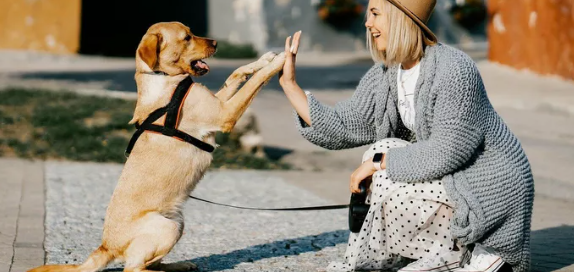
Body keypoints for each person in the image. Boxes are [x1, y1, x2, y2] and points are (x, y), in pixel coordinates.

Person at [278, 0, 534, 271]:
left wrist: (378, 162)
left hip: (487, 184)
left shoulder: (455, 69)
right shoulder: (387, 74)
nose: (367, 23)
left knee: (383, 163)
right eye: (368, 14)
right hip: (449, 178)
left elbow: (447, 151)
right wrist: (290, 85)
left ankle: (482, 249)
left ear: (402, 18)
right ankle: (443, 252)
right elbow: (344, 125)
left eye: (375, 13)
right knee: (382, 151)